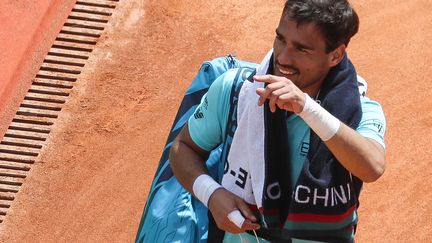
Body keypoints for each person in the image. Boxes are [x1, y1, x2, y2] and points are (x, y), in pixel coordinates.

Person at [169, 0, 387, 242]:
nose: (282, 57)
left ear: (335, 55)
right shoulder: (236, 90)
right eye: (281, 39)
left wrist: (306, 107)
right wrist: (211, 193)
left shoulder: (359, 112)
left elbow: (372, 167)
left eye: (301, 49)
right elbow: (182, 149)